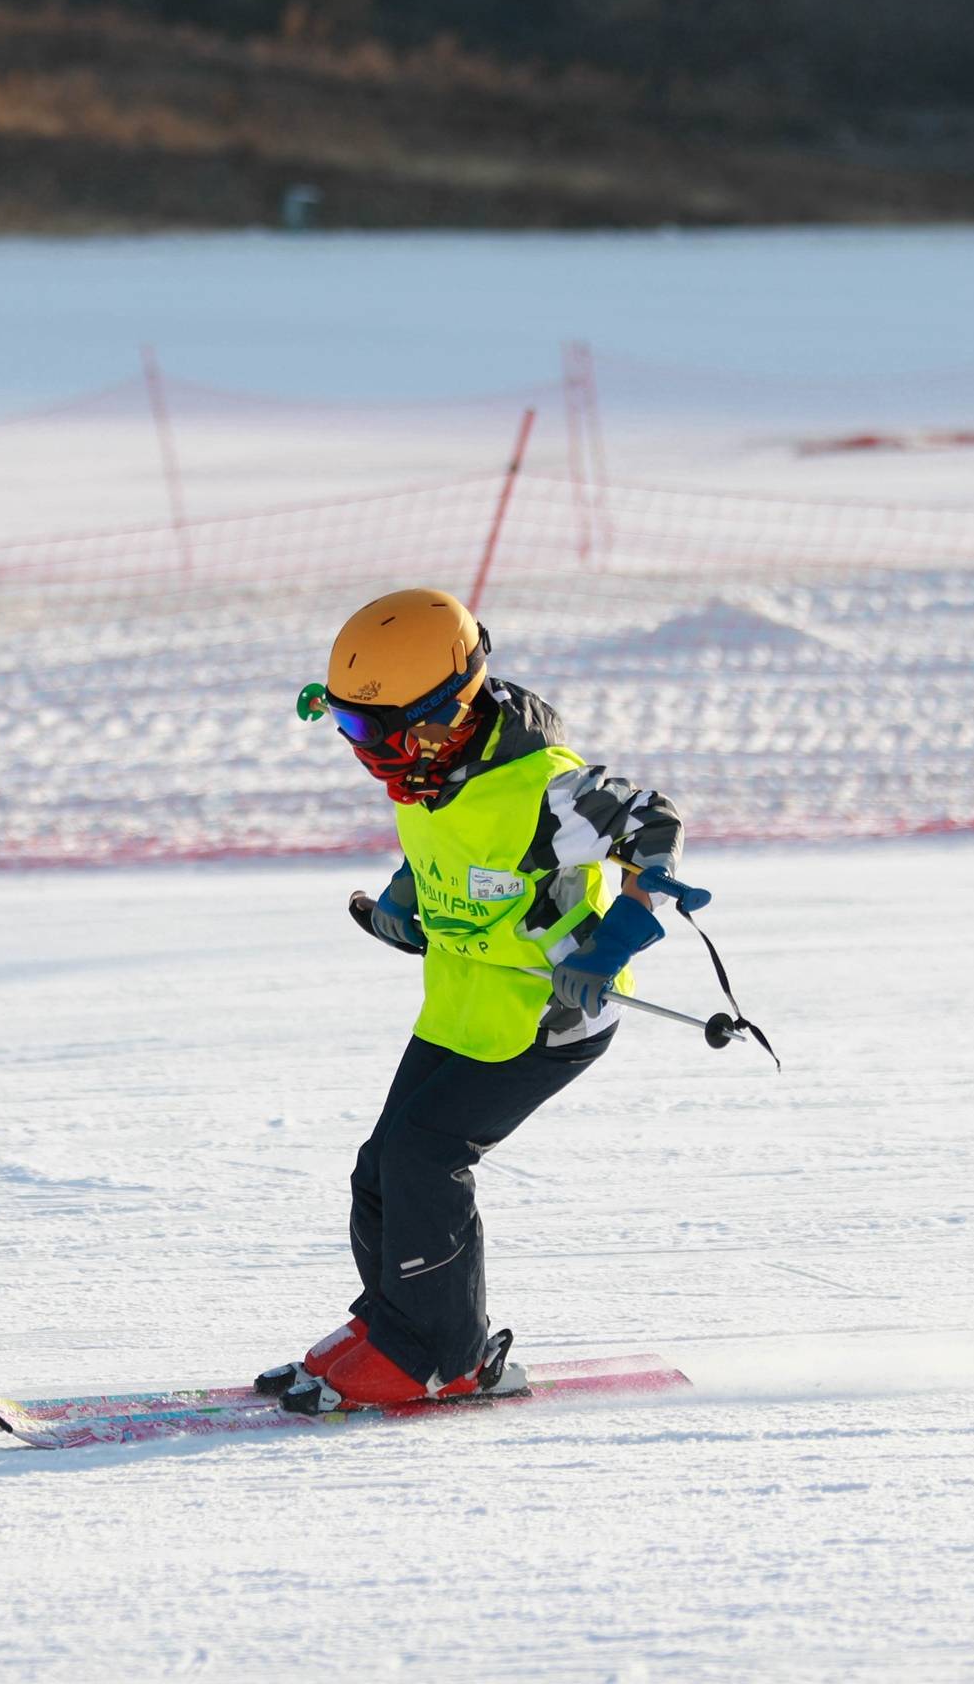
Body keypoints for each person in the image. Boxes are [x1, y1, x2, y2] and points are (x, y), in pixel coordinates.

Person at [262, 587, 705, 1412]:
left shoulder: (545, 788)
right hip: (466, 999)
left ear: (444, 712)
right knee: (382, 1167)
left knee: (427, 1158)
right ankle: (397, 1325)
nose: (364, 751)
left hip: (550, 1014)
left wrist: (623, 934)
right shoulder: (431, 768)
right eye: (349, 726)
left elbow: (653, 820)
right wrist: (406, 900)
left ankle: (446, 1359)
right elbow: (445, 845)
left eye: (374, 731)